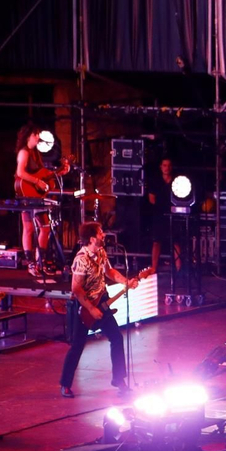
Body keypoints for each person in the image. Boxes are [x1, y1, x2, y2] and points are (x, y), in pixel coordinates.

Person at [60, 221, 140, 398]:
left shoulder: (101, 252)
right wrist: (90, 308)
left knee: (116, 338)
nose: (103, 235)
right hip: (84, 307)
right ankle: (65, 384)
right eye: (100, 233)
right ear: (91, 239)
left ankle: (119, 380)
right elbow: (76, 289)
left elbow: (109, 271)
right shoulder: (81, 259)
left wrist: (125, 281)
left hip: (102, 301)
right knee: (77, 346)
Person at [13, 123, 72, 277]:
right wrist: (37, 182)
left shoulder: (35, 153)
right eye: (35, 134)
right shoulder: (24, 152)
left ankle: (40, 262)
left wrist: (60, 171)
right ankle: (31, 264)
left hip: (37, 196)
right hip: (26, 194)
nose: (38, 137)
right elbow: (20, 172)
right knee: (28, 228)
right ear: (28, 136)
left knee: (45, 227)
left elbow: (43, 174)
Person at [144, 157, 178, 277]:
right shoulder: (155, 181)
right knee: (156, 241)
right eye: (164, 165)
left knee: (176, 241)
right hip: (159, 215)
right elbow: (151, 199)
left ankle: (179, 268)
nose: (166, 168)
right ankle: (154, 268)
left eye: (169, 165)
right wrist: (162, 207)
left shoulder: (177, 181)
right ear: (161, 167)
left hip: (174, 214)